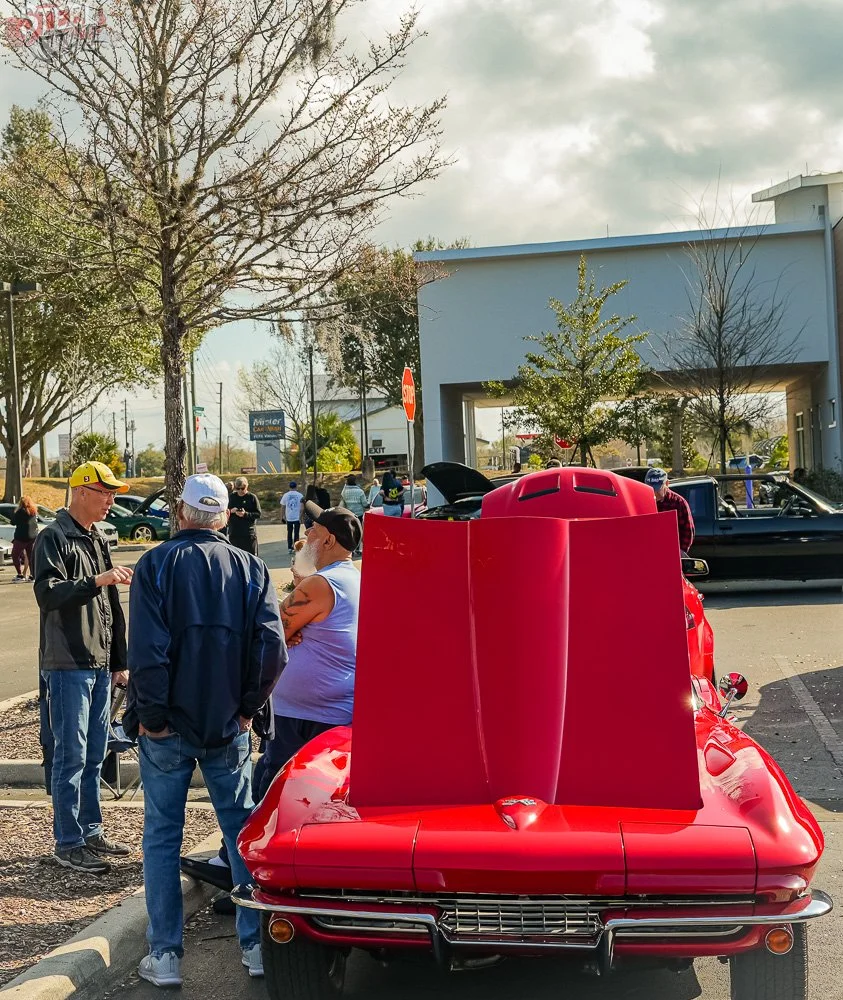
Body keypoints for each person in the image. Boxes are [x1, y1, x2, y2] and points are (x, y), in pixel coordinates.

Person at [123, 474, 286, 987]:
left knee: (162, 838)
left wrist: (150, 718)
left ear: (182, 511)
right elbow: (272, 649)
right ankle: (256, 944)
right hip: (225, 725)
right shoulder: (250, 567)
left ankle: (166, 955)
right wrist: (246, 708)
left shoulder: (156, 564)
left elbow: (147, 653)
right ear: (222, 516)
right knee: (241, 833)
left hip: (167, 728)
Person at [33, 461, 133, 875]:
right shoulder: (53, 537)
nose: (111, 499)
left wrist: (119, 663)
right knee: (70, 755)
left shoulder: (95, 537)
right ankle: (68, 841)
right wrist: (96, 580)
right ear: (80, 492)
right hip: (67, 664)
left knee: (94, 753)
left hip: (97, 663)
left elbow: (110, 608)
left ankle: (90, 831)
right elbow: (48, 594)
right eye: (104, 491)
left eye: (112, 492)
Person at [257, 501, 361, 801]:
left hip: (305, 717)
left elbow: (269, 631)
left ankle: (241, 850)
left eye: (313, 531)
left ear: (328, 540)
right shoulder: (351, 577)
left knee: (276, 791)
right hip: (329, 710)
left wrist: (285, 634)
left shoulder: (321, 584)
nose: (306, 537)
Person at [644, 467, 695, 555]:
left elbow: (688, 530)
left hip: (672, 554)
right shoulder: (641, 501)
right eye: (650, 489)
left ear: (667, 484)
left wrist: (681, 551)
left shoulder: (678, 503)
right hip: (648, 553)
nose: (654, 493)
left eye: (657, 489)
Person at [227, 476, 261, 555]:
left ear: (247, 486)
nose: (240, 491)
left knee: (251, 557)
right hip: (234, 533)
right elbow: (223, 513)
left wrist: (245, 514)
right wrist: (231, 511)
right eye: (238, 489)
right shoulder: (231, 497)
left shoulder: (252, 497)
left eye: (242, 488)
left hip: (248, 534)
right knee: (235, 557)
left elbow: (258, 514)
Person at [11, 494, 38, 582]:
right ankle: (32, 575)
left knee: (15, 555)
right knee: (31, 556)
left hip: (21, 537)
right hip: (32, 537)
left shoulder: (20, 512)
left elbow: (13, 522)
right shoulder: (33, 511)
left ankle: (20, 575)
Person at [340, 475, 368, 555]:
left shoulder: (344, 491)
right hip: (359, 515)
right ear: (355, 482)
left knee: (351, 532)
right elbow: (365, 504)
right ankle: (358, 549)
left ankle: (352, 549)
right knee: (359, 532)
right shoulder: (360, 491)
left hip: (349, 514)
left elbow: (343, 502)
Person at [279, 481, 304, 552]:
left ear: (289, 487)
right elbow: (302, 508)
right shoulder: (300, 495)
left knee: (289, 532)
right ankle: (297, 547)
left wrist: (282, 516)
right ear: (296, 487)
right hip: (297, 517)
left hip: (289, 517)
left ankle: (290, 547)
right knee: (296, 533)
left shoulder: (286, 495)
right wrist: (301, 516)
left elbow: (283, 506)